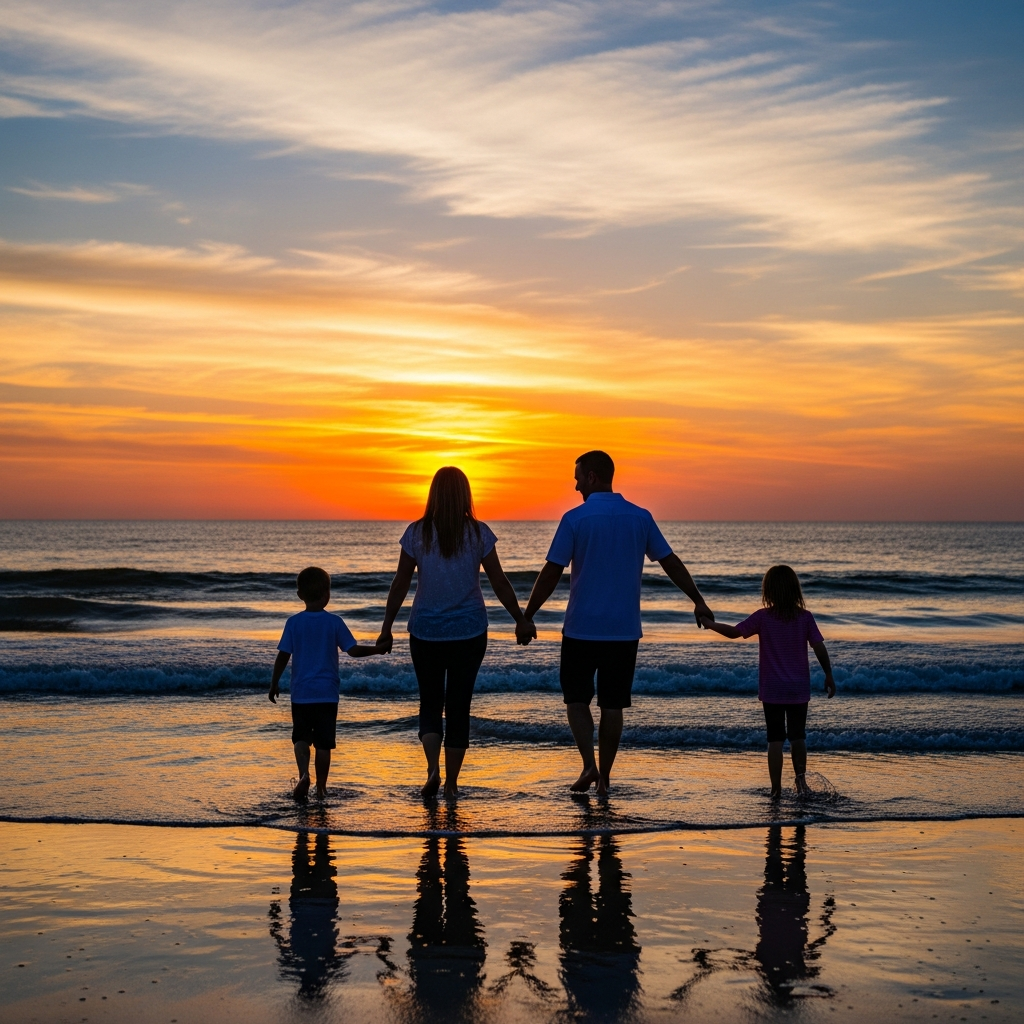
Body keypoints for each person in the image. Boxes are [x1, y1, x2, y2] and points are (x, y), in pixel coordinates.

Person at [518, 450, 713, 798]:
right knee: (613, 706)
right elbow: (670, 562)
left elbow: (551, 572)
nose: (575, 484)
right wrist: (697, 600)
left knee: (576, 701)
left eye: (578, 477)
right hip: (623, 631)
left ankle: (589, 765)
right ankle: (604, 778)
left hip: (581, 628)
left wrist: (528, 615)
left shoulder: (575, 519)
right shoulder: (640, 517)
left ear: (592, 477)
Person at [377, 467, 527, 800]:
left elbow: (400, 583)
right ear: (465, 494)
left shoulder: (417, 533)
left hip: (426, 630)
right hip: (469, 631)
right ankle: (453, 783)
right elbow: (499, 581)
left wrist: (386, 628)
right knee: (459, 706)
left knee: (430, 702)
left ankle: (432, 769)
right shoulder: (478, 534)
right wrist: (520, 618)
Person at [699, 564, 836, 798]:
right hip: (797, 688)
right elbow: (819, 648)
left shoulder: (763, 617)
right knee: (797, 736)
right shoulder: (805, 618)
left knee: (774, 739)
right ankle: (802, 785)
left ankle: (775, 789)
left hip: (772, 688)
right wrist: (829, 674)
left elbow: (734, 632)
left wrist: (710, 625)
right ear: (795, 590)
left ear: (768, 591)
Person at [269, 566, 388, 800]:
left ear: (300, 595)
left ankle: (304, 775)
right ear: (327, 594)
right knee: (324, 744)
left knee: (300, 738)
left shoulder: (293, 623)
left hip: (301, 694)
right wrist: (377, 649)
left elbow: (283, 655)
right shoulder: (334, 622)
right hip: (327, 694)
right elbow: (352, 650)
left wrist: (274, 683)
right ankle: (321, 788)